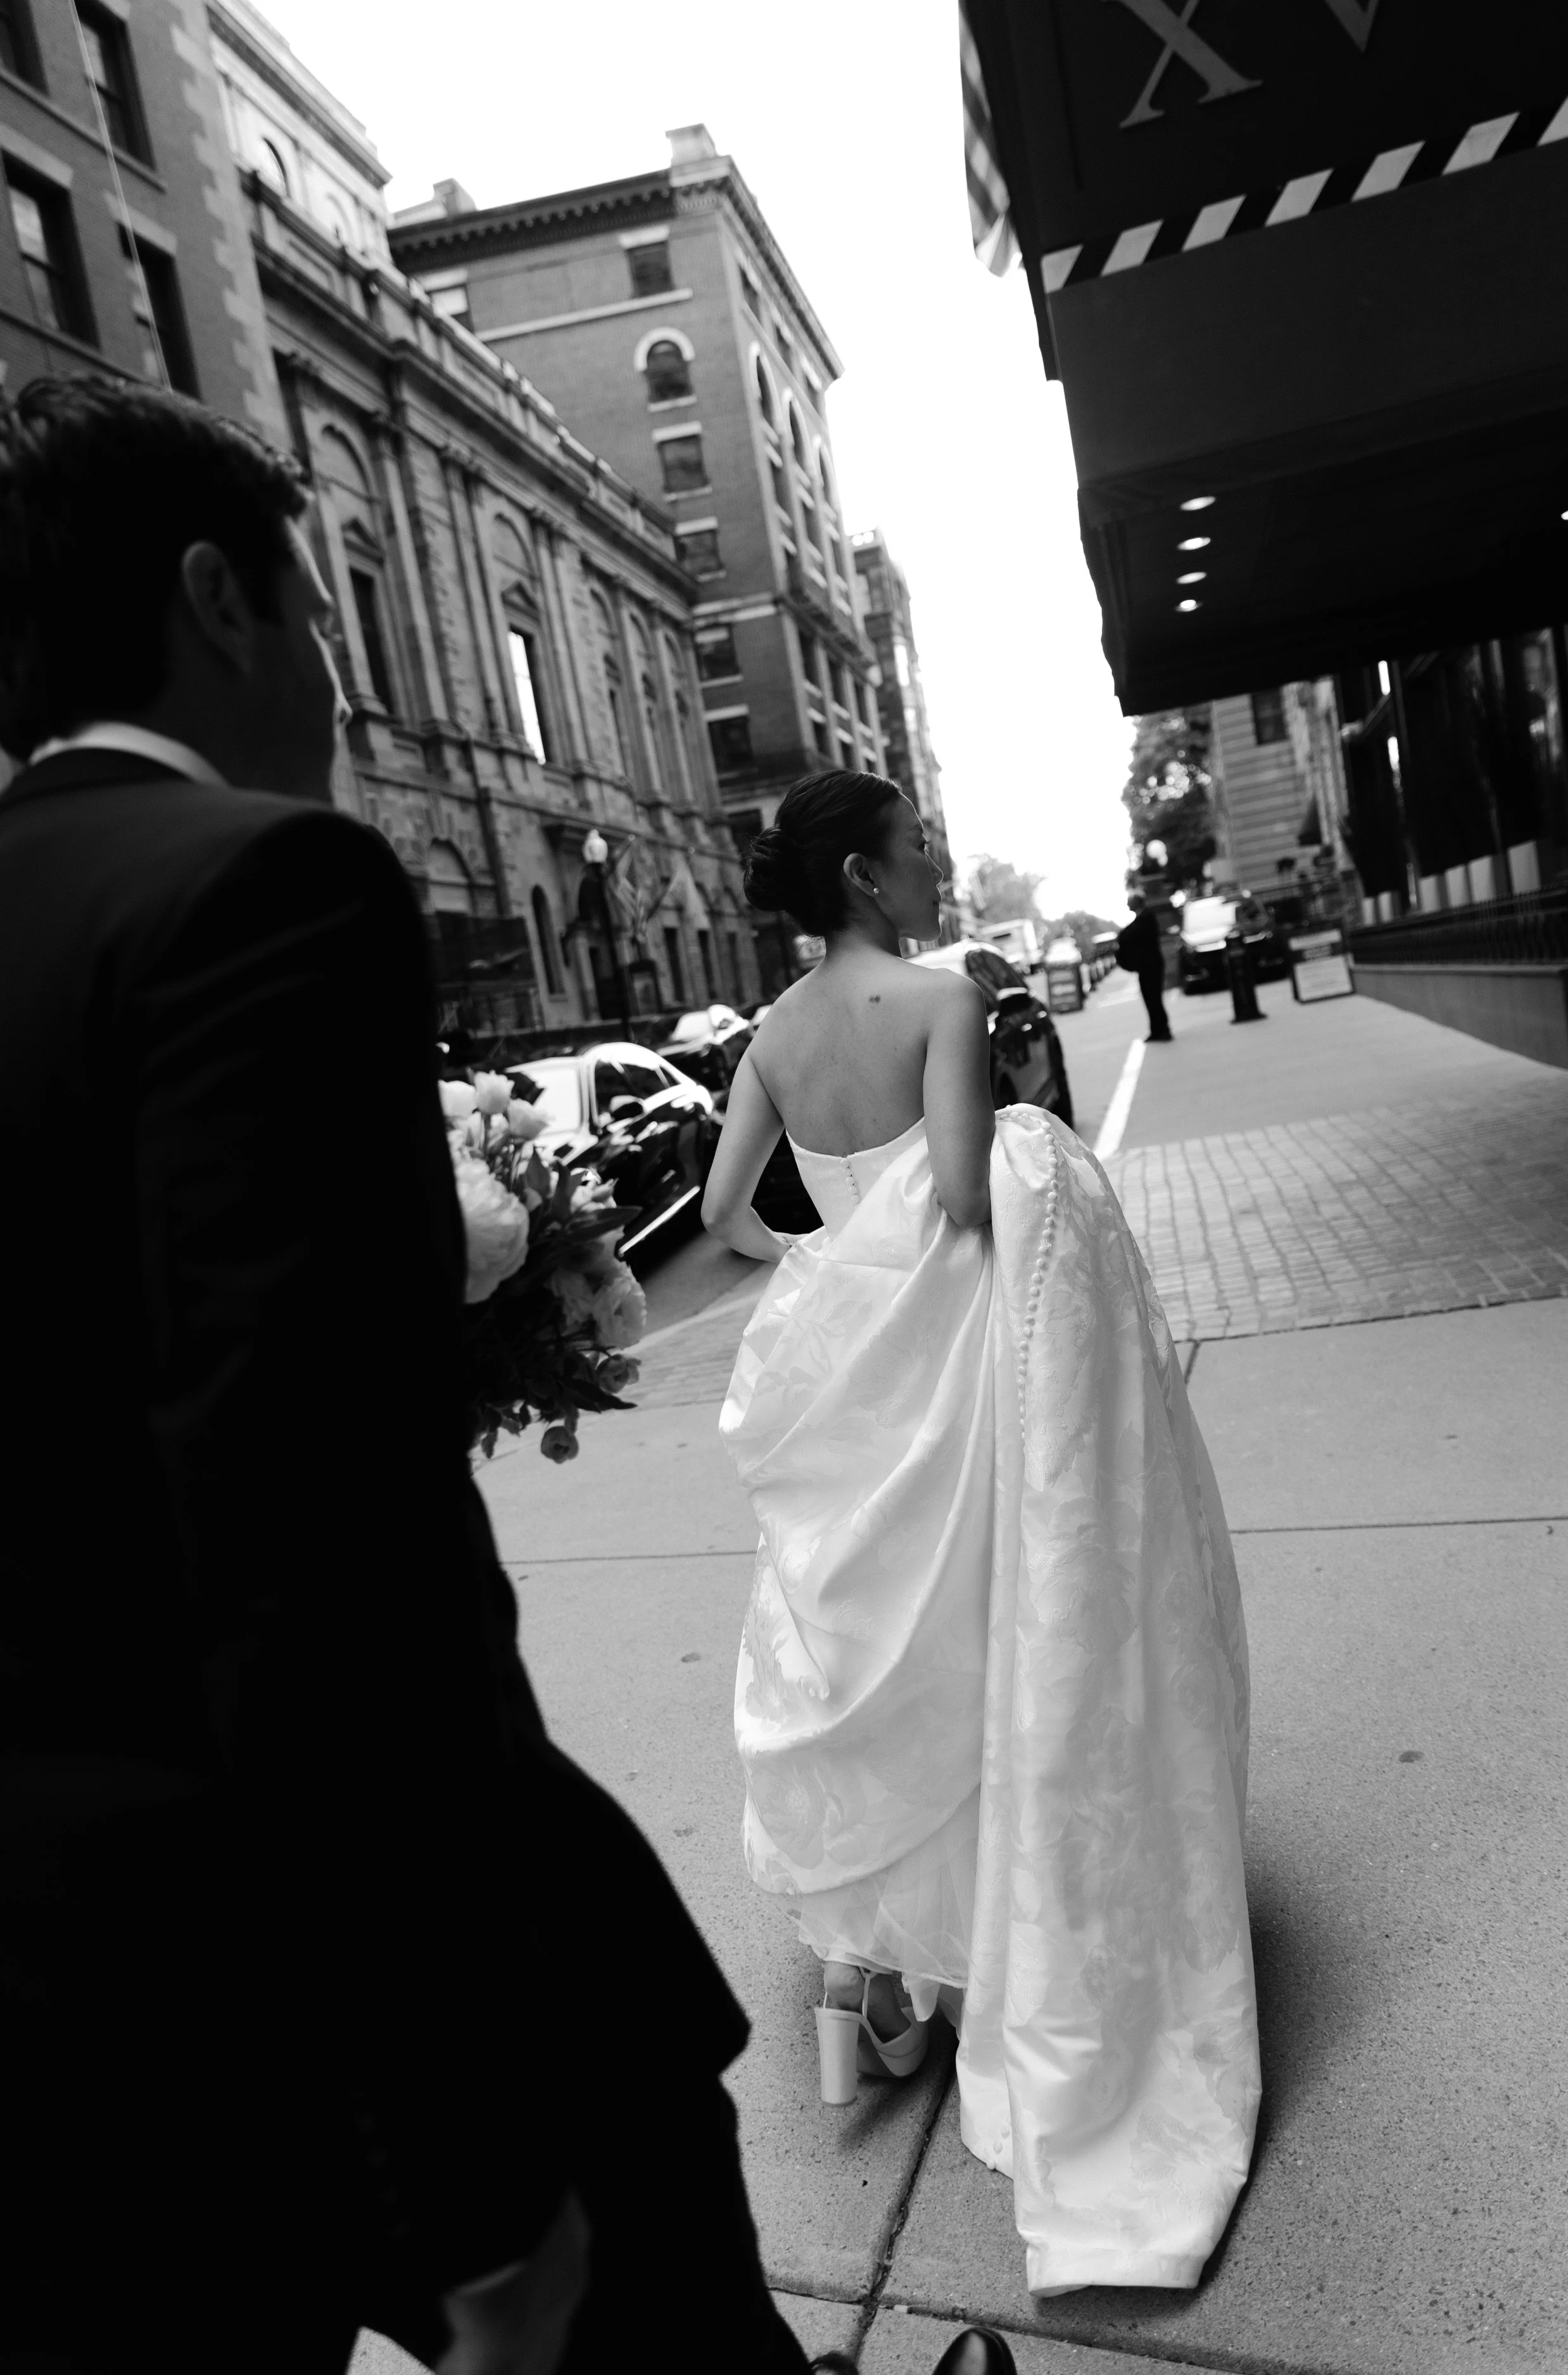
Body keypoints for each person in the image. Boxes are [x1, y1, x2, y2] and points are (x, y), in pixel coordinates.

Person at [0, 376, 825, 2375]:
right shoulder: (254, 890)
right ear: (219, 595)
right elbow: (313, 1546)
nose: (334, 671)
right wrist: (471, 2164)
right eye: (312, 604)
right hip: (312, 1955)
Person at [702, 771, 1260, 2298]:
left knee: (870, 1636)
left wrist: (827, 1270)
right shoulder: (941, 1000)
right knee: (993, 1632)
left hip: (851, 1371)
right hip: (951, 1360)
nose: (935, 866)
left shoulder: (770, 1033)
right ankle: (982, 1963)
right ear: (870, 880)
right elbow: (957, 1191)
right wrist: (1019, 1116)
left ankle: (876, 1988)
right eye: (919, 849)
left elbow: (725, 1213)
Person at [1115, 892, 1173, 1041]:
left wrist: (1122, 936)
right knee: (1150, 999)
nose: (1128, 905)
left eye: (1130, 902)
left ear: (1137, 903)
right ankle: (1157, 1030)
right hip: (1147, 967)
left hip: (1151, 966)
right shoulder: (1142, 918)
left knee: (1154, 999)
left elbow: (1133, 933)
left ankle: (1163, 1030)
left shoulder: (1147, 917)